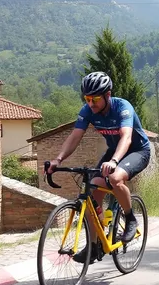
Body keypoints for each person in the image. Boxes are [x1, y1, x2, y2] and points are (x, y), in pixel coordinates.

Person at [47, 71, 151, 264]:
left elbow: (126, 137)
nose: (91, 103)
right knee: (91, 191)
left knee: (115, 178)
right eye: (87, 98)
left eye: (95, 99)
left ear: (107, 95)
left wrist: (113, 162)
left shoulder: (123, 107)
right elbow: (75, 136)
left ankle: (130, 219)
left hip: (137, 151)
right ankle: (94, 246)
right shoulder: (87, 111)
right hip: (114, 152)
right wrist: (58, 159)